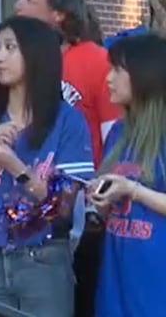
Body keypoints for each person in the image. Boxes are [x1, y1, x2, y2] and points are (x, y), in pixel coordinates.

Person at [0, 16, 94, 314]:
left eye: (10, 47)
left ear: (36, 55)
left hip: (45, 260)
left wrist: (17, 168)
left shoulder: (68, 121)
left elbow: (63, 209)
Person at [14, 0, 120, 317]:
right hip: (22, 210)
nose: (17, 6)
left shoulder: (95, 61)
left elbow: (114, 141)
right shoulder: (21, 63)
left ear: (57, 14)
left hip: (81, 216)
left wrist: (94, 210)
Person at [90, 33, 166, 317]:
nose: (108, 78)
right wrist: (103, 197)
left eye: (116, 70)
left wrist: (132, 190)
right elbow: (118, 202)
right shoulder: (119, 132)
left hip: (156, 285)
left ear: (144, 74)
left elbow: (135, 191)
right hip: (117, 279)